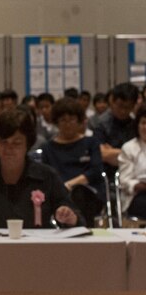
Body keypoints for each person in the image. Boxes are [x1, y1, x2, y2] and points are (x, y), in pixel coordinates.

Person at [40, 97, 105, 227]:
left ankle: (81, 228)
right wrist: (61, 188)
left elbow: (95, 171)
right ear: (56, 122)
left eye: (71, 119)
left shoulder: (91, 142)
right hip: (58, 193)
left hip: (87, 192)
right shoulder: (48, 148)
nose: (67, 124)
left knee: (79, 193)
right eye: (63, 120)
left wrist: (70, 184)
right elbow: (46, 174)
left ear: (79, 121)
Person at [91, 83, 138, 174]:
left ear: (133, 106)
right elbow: (102, 154)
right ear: (112, 101)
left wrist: (113, 152)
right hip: (108, 173)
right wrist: (131, 154)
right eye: (120, 105)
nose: (123, 111)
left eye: (128, 107)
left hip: (134, 174)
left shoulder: (136, 125)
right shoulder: (101, 124)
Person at [117, 106, 146, 219]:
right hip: (137, 196)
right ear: (137, 125)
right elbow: (124, 181)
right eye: (143, 123)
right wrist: (141, 186)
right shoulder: (129, 147)